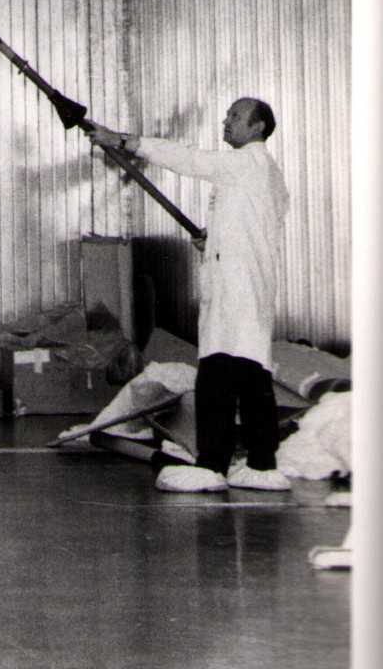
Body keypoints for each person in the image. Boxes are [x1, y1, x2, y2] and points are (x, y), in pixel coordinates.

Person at [83, 97, 290, 495]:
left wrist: (123, 141)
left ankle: (212, 465)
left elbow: (189, 159)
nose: (226, 121)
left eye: (235, 116)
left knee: (217, 373)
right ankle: (262, 464)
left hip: (236, 286)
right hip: (246, 282)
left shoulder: (245, 163)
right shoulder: (265, 173)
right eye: (227, 114)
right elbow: (257, 223)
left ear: (258, 127)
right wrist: (216, 241)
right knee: (251, 374)